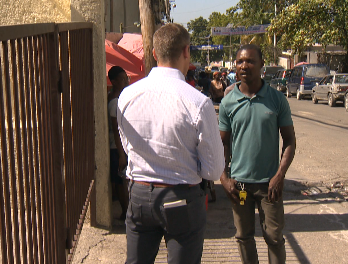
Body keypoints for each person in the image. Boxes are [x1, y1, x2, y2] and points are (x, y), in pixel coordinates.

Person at [117, 23, 225, 264]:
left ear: (154, 54)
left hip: (140, 195)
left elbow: (128, 146)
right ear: (187, 51)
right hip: (182, 197)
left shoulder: (127, 95)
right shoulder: (197, 102)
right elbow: (214, 169)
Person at [218, 44, 296, 264]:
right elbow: (221, 144)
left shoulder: (276, 99)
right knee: (243, 237)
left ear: (262, 65)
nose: (245, 66)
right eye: (240, 61)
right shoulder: (228, 102)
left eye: (251, 61)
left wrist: (280, 175)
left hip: (269, 185)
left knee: (274, 237)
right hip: (240, 186)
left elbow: (289, 140)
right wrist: (224, 178)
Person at [107, 66, 129, 220]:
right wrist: (121, 154)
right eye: (122, 79)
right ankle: (125, 210)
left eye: (126, 78)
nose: (126, 82)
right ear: (113, 82)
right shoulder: (115, 102)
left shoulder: (113, 98)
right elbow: (115, 130)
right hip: (116, 147)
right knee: (121, 182)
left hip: (117, 146)